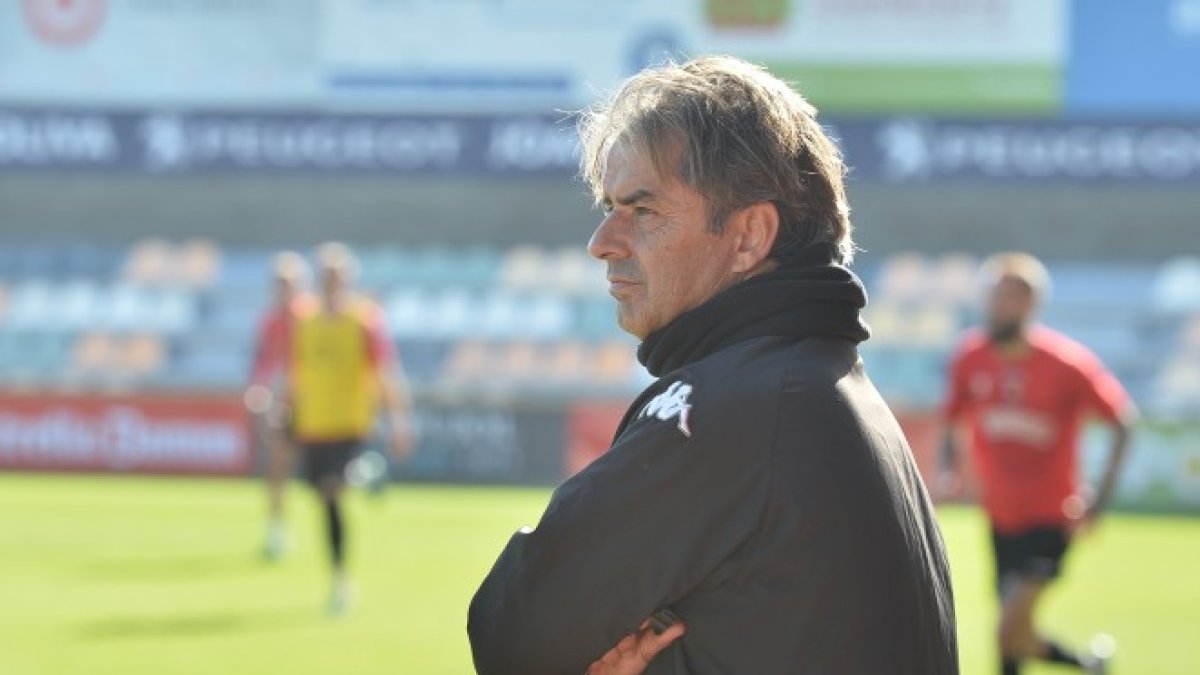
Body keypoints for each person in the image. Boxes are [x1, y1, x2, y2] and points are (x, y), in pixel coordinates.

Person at [468, 56, 958, 674]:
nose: (602, 242)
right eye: (609, 207)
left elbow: (512, 637)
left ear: (750, 237)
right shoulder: (822, 387)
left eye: (641, 210)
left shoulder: (736, 404)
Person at [938, 253, 1135, 675]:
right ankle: (1087, 665)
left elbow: (1122, 422)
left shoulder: (1066, 364)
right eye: (995, 296)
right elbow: (952, 417)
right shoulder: (970, 357)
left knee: (1008, 624)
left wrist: (1099, 499)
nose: (1000, 306)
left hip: (1051, 514)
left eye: (1012, 297)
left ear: (1031, 304)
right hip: (1000, 514)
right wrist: (949, 469)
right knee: (1014, 634)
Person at [289, 242, 415, 613]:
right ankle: (363, 476)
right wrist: (286, 409)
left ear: (347, 280)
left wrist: (398, 422)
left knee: (331, 489)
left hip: (350, 421)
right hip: (313, 423)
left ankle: (341, 582)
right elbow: (296, 371)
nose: (330, 283)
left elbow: (385, 373)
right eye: (324, 276)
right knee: (324, 498)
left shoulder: (364, 320)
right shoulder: (305, 321)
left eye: (336, 276)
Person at [245, 251, 313, 560]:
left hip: (315, 401)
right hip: (288, 402)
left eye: (288, 282)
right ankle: (276, 529)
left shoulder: (311, 317)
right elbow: (265, 362)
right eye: (279, 282)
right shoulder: (271, 321)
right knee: (278, 466)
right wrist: (260, 390)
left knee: (323, 469)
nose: (283, 288)